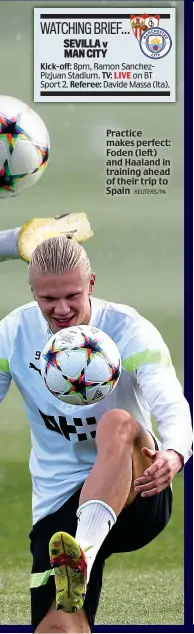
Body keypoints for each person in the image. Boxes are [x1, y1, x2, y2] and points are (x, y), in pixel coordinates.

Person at [0, 235, 192, 634]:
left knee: (116, 422)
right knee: (57, 631)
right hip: (59, 512)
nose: (62, 308)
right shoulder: (13, 333)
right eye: (48, 299)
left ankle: (82, 554)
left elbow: (169, 400)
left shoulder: (129, 329)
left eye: (72, 294)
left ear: (91, 283)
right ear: (32, 292)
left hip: (138, 489)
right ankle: (77, 560)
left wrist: (174, 454)